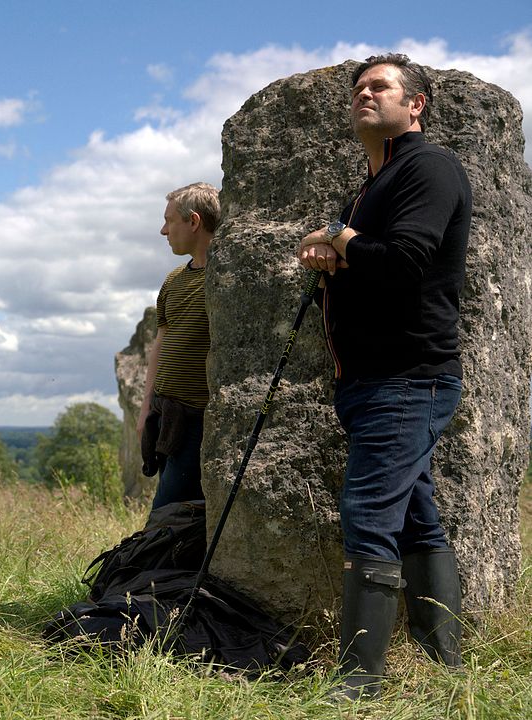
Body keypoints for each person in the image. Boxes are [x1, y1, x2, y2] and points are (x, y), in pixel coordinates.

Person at [299, 54, 471, 699]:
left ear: (416, 104)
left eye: (380, 87)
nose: (365, 95)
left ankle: (358, 685)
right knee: (418, 517)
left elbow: (402, 261)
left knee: (369, 514)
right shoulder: (372, 183)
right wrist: (329, 243)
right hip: (373, 381)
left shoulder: (428, 167)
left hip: (406, 378)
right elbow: (358, 250)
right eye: (359, 89)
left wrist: (339, 238)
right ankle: (443, 662)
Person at [137, 182, 221, 510]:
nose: (163, 230)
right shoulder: (173, 279)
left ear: (194, 221)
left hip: (198, 421)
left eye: (169, 220)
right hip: (166, 416)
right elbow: (161, 342)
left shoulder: (223, 277)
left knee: (166, 513)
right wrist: (146, 409)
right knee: (178, 513)